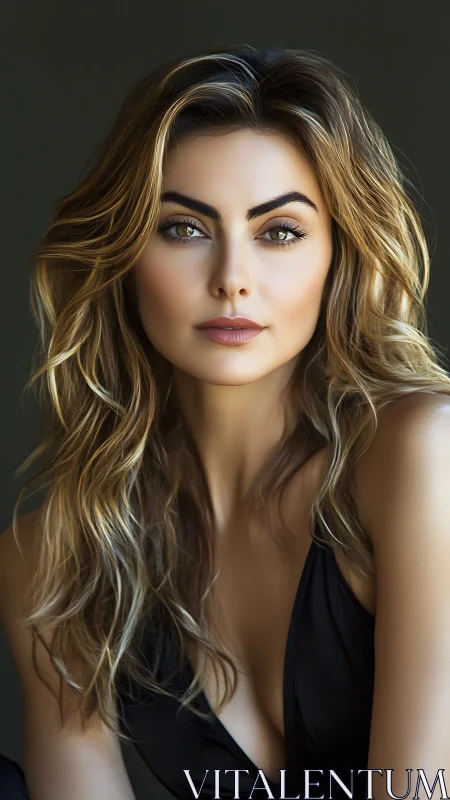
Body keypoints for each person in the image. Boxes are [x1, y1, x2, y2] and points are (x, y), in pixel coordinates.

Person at [1, 43, 450, 800]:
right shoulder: (54, 553)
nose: (232, 279)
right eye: (184, 228)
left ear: (340, 256)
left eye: (280, 232)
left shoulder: (419, 454)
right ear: (121, 254)